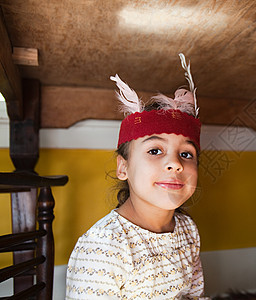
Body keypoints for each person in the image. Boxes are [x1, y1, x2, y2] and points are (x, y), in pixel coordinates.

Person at [66, 54, 208, 299]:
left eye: (186, 154)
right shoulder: (103, 247)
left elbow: (193, 295)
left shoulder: (188, 231)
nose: (174, 164)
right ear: (123, 168)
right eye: (155, 151)